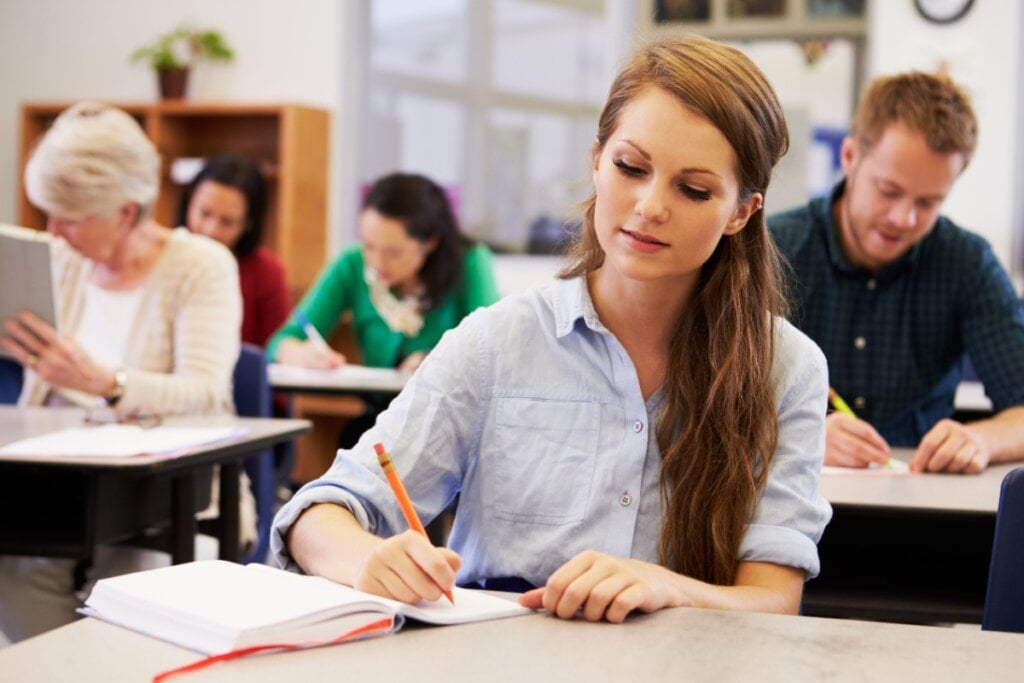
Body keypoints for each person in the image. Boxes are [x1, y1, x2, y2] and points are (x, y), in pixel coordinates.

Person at [271, 35, 831, 622]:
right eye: (630, 167)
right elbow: (318, 513)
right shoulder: (497, 342)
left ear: (742, 211)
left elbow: (773, 599)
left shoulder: (785, 368)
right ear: (596, 159)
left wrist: (666, 586)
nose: (649, 206)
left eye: (693, 190)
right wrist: (367, 560)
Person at [0, 101, 247, 642]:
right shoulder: (63, 259)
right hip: (60, 488)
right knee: (16, 569)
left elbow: (205, 392)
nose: (53, 230)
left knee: (131, 595)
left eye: (68, 216)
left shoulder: (201, 266)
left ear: (127, 211)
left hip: (167, 495)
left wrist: (106, 384)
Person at [769, 72, 1024, 474]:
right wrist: (792, 431)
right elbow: (700, 398)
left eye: (928, 202)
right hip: (790, 495)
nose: (903, 219)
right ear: (849, 157)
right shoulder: (772, 250)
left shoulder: (967, 262)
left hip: (917, 506)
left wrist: (980, 438)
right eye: (889, 191)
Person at [266, 172, 499, 375]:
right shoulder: (352, 263)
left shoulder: (470, 261)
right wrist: (299, 353)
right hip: (378, 414)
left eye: (393, 253)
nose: (377, 262)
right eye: (368, 245)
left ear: (430, 241)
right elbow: (280, 342)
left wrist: (435, 362)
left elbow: (491, 349)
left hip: (448, 415)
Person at [177, 152, 291, 348]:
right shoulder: (162, 256)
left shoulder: (266, 272)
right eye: (204, 213)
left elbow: (275, 347)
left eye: (227, 222)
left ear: (248, 224)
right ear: (189, 203)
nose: (210, 230)